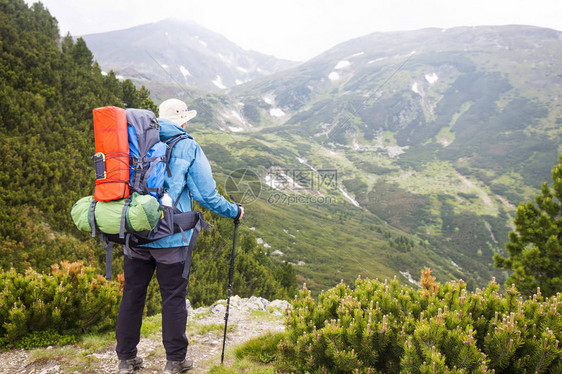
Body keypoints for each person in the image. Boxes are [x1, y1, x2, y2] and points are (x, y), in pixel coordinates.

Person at [116, 98, 244, 374]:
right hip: (171, 238)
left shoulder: (134, 141)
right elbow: (205, 195)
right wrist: (234, 211)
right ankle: (175, 361)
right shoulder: (187, 145)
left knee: (132, 295)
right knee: (173, 297)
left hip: (134, 233)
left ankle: (126, 359)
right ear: (184, 121)